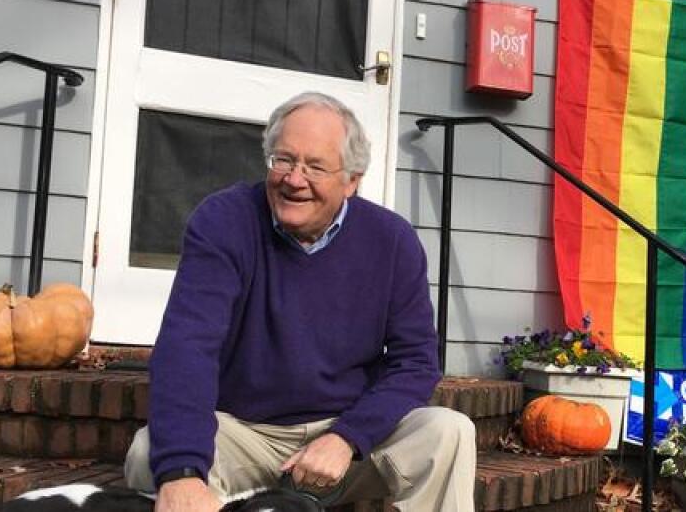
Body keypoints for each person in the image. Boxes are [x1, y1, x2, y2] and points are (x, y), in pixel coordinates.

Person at [124, 92, 476, 512]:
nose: (294, 179)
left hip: (345, 436)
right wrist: (182, 471)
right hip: (243, 432)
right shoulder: (224, 221)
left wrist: (348, 437)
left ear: (352, 179)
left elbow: (416, 362)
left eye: (315, 166)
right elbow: (188, 346)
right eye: (284, 160)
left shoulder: (392, 241)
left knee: (448, 432)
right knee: (150, 456)